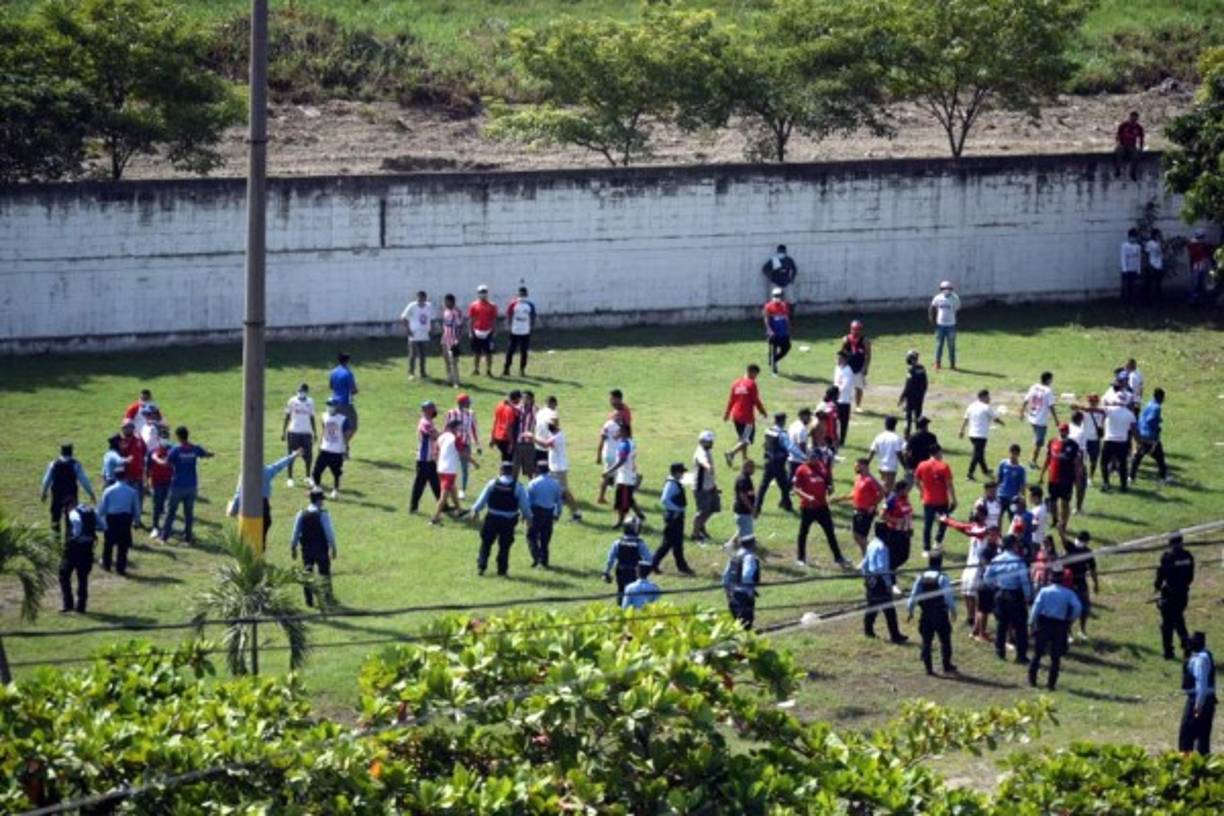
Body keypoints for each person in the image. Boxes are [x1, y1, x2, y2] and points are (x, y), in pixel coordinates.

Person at [226, 450, 302, 546]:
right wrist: (293, 456)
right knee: (262, 533)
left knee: (246, 536)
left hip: (249, 506)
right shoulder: (266, 471)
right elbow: (279, 465)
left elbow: (239, 493)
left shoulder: (245, 474)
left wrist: (233, 509)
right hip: (264, 507)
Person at [470, 461, 531, 576]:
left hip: (492, 518)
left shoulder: (492, 484)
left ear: (501, 470)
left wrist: (475, 510)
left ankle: (481, 566)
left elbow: (482, 500)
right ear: (512, 472)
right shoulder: (518, 487)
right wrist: (528, 518)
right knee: (504, 546)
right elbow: (525, 506)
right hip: (508, 521)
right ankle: (502, 570)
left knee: (486, 543)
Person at [157, 426, 214, 545]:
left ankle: (164, 537)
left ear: (178, 436)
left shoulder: (176, 450)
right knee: (189, 514)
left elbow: (166, 464)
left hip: (177, 486)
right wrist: (211, 454)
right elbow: (206, 454)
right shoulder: (195, 448)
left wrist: (156, 458)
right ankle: (188, 538)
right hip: (191, 487)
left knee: (171, 512)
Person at [1027, 569, 1083, 691]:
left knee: (1037, 653)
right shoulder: (1068, 593)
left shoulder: (1044, 591)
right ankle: (1051, 684)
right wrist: (1070, 618)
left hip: (1044, 623)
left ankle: (1032, 680)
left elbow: (1036, 608)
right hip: (1059, 624)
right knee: (1056, 657)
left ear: (1051, 578)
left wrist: (1031, 623)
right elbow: (1078, 607)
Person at [793, 448, 847, 568]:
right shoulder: (801, 470)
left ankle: (838, 557)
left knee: (830, 532)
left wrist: (830, 488)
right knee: (803, 533)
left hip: (822, 506)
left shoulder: (822, 467)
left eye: (815, 457)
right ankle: (800, 558)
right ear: (807, 457)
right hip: (808, 507)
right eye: (811, 457)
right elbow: (796, 488)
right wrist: (807, 497)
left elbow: (828, 482)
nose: (814, 459)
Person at [983, 536, 1033, 663]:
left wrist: (996, 587)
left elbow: (986, 578)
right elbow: (1024, 581)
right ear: (1013, 545)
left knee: (1001, 624)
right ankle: (1021, 655)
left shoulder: (996, 559)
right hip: (1015, 595)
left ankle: (1000, 652)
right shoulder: (1018, 561)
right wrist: (1028, 597)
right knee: (1020, 626)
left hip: (1000, 594)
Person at [907, 552, 957, 675]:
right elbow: (948, 596)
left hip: (926, 614)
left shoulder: (921, 577)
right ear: (940, 563)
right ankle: (946, 665)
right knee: (945, 640)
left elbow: (913, 596)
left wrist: (911, 611)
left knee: (926, 641)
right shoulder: (942, 578)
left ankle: (928, 668)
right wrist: (953, 611)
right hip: (940, 614)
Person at [290, 489, 337, 608]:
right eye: (322, 499)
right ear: (318, 500)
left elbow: (295, 532)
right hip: (321, 548)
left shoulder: (301, 513)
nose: (323, 502)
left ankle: (309, 601)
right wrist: (333, 547)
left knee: (307, 574)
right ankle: (327, 598)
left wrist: (293, 547)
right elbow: (329, 533)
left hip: (306, 549)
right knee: (324, 574)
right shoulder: (323, 514)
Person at [41, 444, 96, 544]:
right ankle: (69, 542)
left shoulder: (53, 464)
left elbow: (46, 480)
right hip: (71, 496)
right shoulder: (75, 464)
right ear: (71, 451)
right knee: (71, 519)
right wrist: (91, 493)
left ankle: (55, 542)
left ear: (61, 451)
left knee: (55, 519)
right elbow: (84, 480)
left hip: (57, 495)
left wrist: (44, 493)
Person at [862, 523, 908, 643]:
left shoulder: (871, 544)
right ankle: (895, 635)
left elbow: (865, 563)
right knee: (889, 610)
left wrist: (866, 577)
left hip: (870, 579)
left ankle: (868, 630)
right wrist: (888, 584)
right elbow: (883, 569)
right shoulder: (883, 547)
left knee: (872, 606)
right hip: (880, 581)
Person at [1155, 533, 1195, 660]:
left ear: (1170, 543)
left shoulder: (1168, 557)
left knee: (1168, 624)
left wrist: (1157, 586)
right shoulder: (1188, 556)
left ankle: (1169, 652)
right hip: (1183, 594)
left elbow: (1161, 574)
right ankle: (1186, 646)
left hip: (1170, 594)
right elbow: (1190, 576)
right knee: (1178, 620)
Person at [59, 503, 101, 613]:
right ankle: (81, 607)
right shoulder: (92, 511)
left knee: (64, 574)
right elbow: (103, 526)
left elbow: (77, 523)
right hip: (87, 548)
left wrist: (75, 535)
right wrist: (91, 530)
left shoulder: (73, 512)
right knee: (83, 578)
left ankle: (68, 604)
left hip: (73, 549)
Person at [914, 445, 956, 556]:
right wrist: (954, 499)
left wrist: (922, 491)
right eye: (941, 453)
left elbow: (916, 480)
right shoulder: (944, 466)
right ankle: (937, 542)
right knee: (944, 522)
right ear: (937, 453)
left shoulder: (922, 465)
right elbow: (949, 485)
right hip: (942, 500)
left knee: (928, 525)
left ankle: (926, 549)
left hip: (928, 500)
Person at [1179, 632, 1216, 755]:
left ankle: (1186, 763)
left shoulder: (1200, 659)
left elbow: (1201, 683)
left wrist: (1198, 705)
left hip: (1198, 699)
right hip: (1207, 699)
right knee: (1203, 735)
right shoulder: (1205, 656)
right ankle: (1203, 764)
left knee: (1186, 733)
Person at [1041, 423, 1082, 534]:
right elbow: (1048, 458)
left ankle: (1064, 523)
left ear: (1068, 432)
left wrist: (1077, 479)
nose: (1062, 432)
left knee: (1065, 503)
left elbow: (1076, 463)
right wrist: (1042, 473)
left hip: (1066, 479)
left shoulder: (1073, 445)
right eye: (1060, 430)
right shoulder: (1052, 442)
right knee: (1053, 501)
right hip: (1053, 478)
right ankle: (1055, 520)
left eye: (1064, 431)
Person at [97, 469, 140, 575]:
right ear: (126, 476)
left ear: (115, 477)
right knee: (123, 545)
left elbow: (102, 508)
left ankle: (107, 564)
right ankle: (120, 568)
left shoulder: (108, 490)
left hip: (111, 519)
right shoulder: (132, 491)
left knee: (108, 543)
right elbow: (136, 508)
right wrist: (137, 521)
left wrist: (98, 520)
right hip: (125, 519)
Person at [723, 364, 767, 467]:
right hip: (747, 417)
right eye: (756, 374)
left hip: (736, 416)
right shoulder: (751, 384)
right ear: (751, 372)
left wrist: (727, 413)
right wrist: (762, 411)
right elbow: (756, 400)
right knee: (747, 440)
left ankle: (744, 459)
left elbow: (731, 400)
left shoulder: (736, 383)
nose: (756, 377)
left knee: (742, 438)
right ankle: (731, 453)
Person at [654, 462, 694, 575]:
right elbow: (664, 500)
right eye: (681, 472)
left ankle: (682, 566)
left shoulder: (675, 482)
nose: (683, 474)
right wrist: (676, 510)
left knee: (677, 543)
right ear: (676, 473)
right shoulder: (671, 484)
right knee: (667, 543)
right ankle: (653, 564)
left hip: (676, 516)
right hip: (673, 517)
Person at [603, 518, 653, 606]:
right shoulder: (640, 543)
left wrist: (606, 572)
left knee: (621, 591)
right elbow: (649, 559)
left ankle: (620, 609)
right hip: (635, 572)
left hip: (621, 572)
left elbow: (610, 559)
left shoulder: (618, 542)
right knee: (634, 593)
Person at [604, 422, 645, 528]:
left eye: (619, 431)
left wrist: (609, 471)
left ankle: (620, 521)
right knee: (629, 498)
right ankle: (640, 515)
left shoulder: (625, 444)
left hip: (625, 478)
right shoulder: (630, 442)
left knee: (622, 501)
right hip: (628, 475)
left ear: (624, 432)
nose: (617, 433)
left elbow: (622, 460)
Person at [1062, 530, 1099, 641]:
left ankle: (1082, 631)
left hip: (1081, 583)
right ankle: (1068, 632)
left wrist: (1096, 583)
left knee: (1085, 608)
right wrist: (1060, 530)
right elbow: (1063, 538)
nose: (1079, 542)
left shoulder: (1088, 553)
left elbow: (1093, 570)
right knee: (1071, 609)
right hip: (1068, 583)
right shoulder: (1071, 547)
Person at [542, 416, 581, 521]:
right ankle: (555, 512)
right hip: (555, 468)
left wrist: (532, 437)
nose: (549, 426)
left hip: (559, 469)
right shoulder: (555, 433)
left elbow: (545, 445)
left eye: (551, 424)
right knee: (557, 491)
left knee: (565, 492)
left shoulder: (557, 437)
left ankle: (576, 513)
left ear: (556, 425)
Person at [842, 458, 884, 556]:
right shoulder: (858, 477)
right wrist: (839, 499)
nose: (855, 467)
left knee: (860, 536)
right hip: (857, 510)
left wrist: (873, 505)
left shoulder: (870, 480)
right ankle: (867, 555)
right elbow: (855, 494)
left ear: (864, 466)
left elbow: (881, 492)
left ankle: (867, 557)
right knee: (857, 536)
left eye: (857, 465)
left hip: (866, 512)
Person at [960, 389, 1003, 481]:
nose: (989, 399)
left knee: (980, 453)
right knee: (977, 455)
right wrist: (1002, 422)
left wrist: (962, 430)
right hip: (981, 435)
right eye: (988, 396)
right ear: (983, 397)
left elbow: (966, 419)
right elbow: (995, 419)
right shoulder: (986, 407)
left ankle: (985, 470)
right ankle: (969, 474)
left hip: (971, 434)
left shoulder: (971, 406)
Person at [757, 413, 796, 514]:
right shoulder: (782, 433)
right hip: (779, 463)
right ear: (782, 421)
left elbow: (765, 444)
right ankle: (787, 505)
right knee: (784, 485)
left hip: (769, 461)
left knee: (764, 486)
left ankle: (757, 506)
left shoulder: (768, 430)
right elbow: (789, 447)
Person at [526, 463, 563, 568]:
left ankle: (536, 557)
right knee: (545, 538)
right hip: (549, 512)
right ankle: (545, 561)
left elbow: (528, 501)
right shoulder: (556, 483)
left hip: (536, 512)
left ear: (537, 470)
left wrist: (526, 514)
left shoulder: (533, 483)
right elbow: (559, 500)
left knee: (531, 536)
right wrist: (558, 513)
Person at [312, 399, 350, 499]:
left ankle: (335, 490)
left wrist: (346, 449)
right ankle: (317, 488)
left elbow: (346, 436)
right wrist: (320, 445)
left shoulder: (343, 419)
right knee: (316, 471)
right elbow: (323, 431)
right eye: (328, 404)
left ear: (336, 406)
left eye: (331, 405)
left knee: (336, 473)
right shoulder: (324, 416)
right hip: (325, 449)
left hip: (337, 451)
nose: (329, 407)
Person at [445, 394, 481, 499]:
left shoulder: (471, 414)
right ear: (461, 403)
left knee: (464, 468)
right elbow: (446, 428)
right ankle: (450, 488)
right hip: (452, 444)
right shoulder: (451, 413)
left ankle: (462, 490)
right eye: (467, 402)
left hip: (465, 444)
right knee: (451, 467)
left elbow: (474, 429)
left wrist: (477, 445)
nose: (469, 404)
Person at [1132, 388, 1171, 484]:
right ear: (1160, 397)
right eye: (1163, 397)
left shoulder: (1149, 404)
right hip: (1150, 436)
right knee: (1160, 457)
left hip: (1141, 433)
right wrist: (1157, 427)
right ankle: (1163, 478)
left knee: (1138, 457)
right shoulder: (1157, 407)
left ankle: (1131, 477)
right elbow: (1151, 420)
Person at [431, 418, 465, 526]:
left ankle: (459, 510)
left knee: (453, 489)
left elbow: (435, 452)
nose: (460, 429)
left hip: (441, 469)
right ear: (454, 428)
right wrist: (474, 463)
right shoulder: (456, 438)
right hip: (449, 471)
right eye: (459, 427)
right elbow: (462, 453)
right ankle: (435, 518)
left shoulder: (441, 437)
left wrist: (439, 463)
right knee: (444, 496)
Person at [281, 383, 316, 487]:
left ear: (307, 392)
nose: (301, 392)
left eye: (303, 391)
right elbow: (287, 416)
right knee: (291, 455)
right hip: (293, 432)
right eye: (299, 390)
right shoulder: (292, 401)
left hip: (306, 433)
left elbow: (312, 418)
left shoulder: (310, 402)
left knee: (309, 456)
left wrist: (315, 432)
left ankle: (308, 477)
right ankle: (290, 478)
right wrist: (283, 431)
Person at [722, 533, 760, 630]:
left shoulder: (735, 556)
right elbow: (746, 575)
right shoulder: (749, 557)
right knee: (746, 625)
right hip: (743, 595)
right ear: (752, 544)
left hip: (733, 594)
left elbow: (725, 577)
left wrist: (728, 592)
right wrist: (750, 592)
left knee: (737, 624)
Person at [1022, 372, 1059, 468]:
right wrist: (1056, 419)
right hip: (1041, 420)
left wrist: (1022, 412)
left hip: (1032, 416)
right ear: (1048, 380)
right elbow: (1051, 406)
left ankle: (1032, 459)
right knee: (1039, 442)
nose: (1052, 381)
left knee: (1037, 439)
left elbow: (1026, 400)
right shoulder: (1048, 391)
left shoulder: (1034, 387)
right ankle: (1032, 461)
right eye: (1051, 379)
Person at [410, 401, 441, 514]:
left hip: (430, 459)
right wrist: (440, 435)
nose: (435, 411)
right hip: (424, 460)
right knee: (420, 484)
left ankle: (444, 506)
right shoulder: (425, 423)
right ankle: (413, 507)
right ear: (427, 410)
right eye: (433, 408)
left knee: (436, 483)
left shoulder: (429, 421)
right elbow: (434, 435)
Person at [1100, 397, 1136, 493]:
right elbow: (1134, 429)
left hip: (1109, 440)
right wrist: (1138, 441)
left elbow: (1100, 410)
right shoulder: (1130, 414)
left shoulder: (1110, 410)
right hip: (1122, 442)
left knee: (1104, 463)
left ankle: (1106, 483)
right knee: (1123, 464)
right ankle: (1123, 486)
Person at [881, 479, 915, 574]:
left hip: (905, 532)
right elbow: (883, 515)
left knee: (905, 556)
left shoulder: (905, 498)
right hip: (895, 532)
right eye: (906, 489)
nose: (907, 491)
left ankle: (890, 571)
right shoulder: (891, 499)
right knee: (895, 557)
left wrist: (910, 528)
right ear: (901, 490)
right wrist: (896, 521)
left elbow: (908, 513)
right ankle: (890, 576)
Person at [145, 426, 172, 539]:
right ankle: (155, 527)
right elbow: (148, 468)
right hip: (156, 483)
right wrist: (147, 481)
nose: (164, 439)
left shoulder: (172, 451)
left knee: (166, 506)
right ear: (158, 438)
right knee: (156, 506)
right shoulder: (152, 452)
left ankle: (166, 527)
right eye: (162, 437)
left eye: (166, 437)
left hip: (169, 482)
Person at [692, 431, 720, 543]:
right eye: (710, 441)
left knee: (713, 508)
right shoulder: (701, 452)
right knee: (702, 511)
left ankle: (701, 527)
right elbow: (703, 461)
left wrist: (714, 485)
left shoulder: (707, 450)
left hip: (710, 486)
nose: (712, 443)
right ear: (703, 442)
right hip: (701, 488)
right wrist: (708, 466)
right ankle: (695, 533)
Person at [503, 285, 537, 377]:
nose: (522, 295)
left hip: (525, 331)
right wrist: (509, 326)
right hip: (514, 330)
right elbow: (509, 315)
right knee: (510, 350)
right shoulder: (513, 304)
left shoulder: (530, 305)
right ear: (518, 294)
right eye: (521, 293)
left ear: (527, 294)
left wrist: (531, 327)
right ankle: (506, 369)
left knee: (524, 351)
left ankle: (522, 370)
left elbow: (533, 316)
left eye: (524, 293)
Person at [116, 421, 147, 521]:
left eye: (126, 428)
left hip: (139, 474)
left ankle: (137, 519)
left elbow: (144, 450)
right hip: (127, 476)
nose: (124, 430)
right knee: (129, 499)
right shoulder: (120, 442)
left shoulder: (139, 439)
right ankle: (129, 518)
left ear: (132, 428)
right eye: (123, 428)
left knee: (140, 498)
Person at [328, 353, 359, 450]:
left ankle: (339, 446)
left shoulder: (333, 372)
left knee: (339, 426)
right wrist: (356, 391)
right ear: (347, 361)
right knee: (353, 426)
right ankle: (344, 445)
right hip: (345, 403)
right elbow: (353, 389)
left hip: (334, 403)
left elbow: (331, 386)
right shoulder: (348, 373)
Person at [400, 290, 433, 379]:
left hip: (424, 334)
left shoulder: (428, 306)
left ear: (425, 298)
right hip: (414, 334)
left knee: (423, 354)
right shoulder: (412, 306)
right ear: (417, 297)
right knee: (413, 354)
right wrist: (408, 330)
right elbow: (403, 317)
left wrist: (430, 329)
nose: (421, 299)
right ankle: (411, 373)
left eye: (423, 298)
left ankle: (423, 372)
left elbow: (429, 319)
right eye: (419, 297)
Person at [867, 416, 905, 493]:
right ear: (895, 425)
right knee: (887, 489)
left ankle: (885, 502)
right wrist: (905, 466)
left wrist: (866, 463)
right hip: (891, 467)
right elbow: (899, 453)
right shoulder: (896, 438)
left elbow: (872, 451)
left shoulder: (879, 436)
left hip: (881, 466)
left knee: (886, 486)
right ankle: (884, 503)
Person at [840, 320, 872, 409]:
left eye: (858, 329)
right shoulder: (846, 339)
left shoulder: (865, 340)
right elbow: (841, 354)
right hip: (847, 367)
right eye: (854, 329)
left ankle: (858, 406)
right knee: (845, 386)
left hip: (859, 367)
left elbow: (868, 355)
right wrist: (840, 366)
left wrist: (865, 367)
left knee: (859, 387)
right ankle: (845, 403)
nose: (855, 331)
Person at [928, 281, 960, 370]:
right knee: (939, 345)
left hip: (951, 325)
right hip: (940, 325)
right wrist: (931, 318)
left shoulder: (955, 298)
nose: (946, 290)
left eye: (948, 288)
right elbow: (932, 307)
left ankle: (952, 364)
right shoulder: (937, 298)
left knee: (951, 345)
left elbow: (957, 308)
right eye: (944, 289)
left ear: (951, 289)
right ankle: (937, 363)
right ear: (941, 289)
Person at [467, 284, 498, 376]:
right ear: (478, 293)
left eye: (484, 292)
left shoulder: (492, 305)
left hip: (488, 331)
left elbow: (494, 319)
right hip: (477, 331)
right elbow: (471, 319)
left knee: (488, 353)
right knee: (477, 353)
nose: (483, 294)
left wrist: (494, 330)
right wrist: (470, 331)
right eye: (481, 292)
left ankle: (488, 370)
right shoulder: (473, 305)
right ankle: (476, 369)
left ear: (487, 293)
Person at [899, 350, 928, 437]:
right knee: (918, 415)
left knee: (908, 417)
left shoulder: (910, 370)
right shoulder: (922, 368)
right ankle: (918, 434)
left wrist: (902, 397)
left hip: (911, 396)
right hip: (920, 396)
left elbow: (908, 385)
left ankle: (907, 435)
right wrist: (922, 394)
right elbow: (925, 383)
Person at [729, 459, 757, 549]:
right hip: (743, 511)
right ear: (745, 467)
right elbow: (743, 496)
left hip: (743, 511)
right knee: (746, 536)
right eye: (751, 467)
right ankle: (743, 551)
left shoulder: (745, 478)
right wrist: (752, 509)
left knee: (742, 531)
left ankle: (730, 545)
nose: (753, 469)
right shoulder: (743, 479)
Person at [763, 288, 792, 375]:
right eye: (776, 296)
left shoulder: (784, 306)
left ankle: (774, 359)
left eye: (779, 296)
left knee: (787, 347)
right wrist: (770, 331)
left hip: (783, 333)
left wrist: (789, 328)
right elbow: (766, 320)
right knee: (773, 349)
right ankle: (774, 369)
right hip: (774, 334)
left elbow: (786, 318)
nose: (778, 297)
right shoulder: (768, 306)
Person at [512, 390, 538, 479]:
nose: (524, 400)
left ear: (531, 399)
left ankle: (532, 490)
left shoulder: (535, 410)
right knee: (514, 470)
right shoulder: (518, 408)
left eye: (526, 398)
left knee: (531, 472)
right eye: (522, 398)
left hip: (529, 444)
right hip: (518, 443)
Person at [439, 293, 464, 387]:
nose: (446, 303)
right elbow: (444, 324)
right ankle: (449, 377)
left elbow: (460, 326)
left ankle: (456, 381)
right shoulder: (445, 311)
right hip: (445, 338)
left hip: (453, 339)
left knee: (454, 361)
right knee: (446, 359)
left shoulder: (456, 312)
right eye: (445, 302)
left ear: (452, 302)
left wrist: (458, 339)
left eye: (448, 302)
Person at [996, 444, 1027, 520]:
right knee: (998, 517)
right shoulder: (1003, 464)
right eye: (1011, 453)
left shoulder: (1021, 469)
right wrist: (995, 492)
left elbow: (1022, 485)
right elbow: (998, 479)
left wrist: (1023, 498)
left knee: (1013, 518)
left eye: (1015, 454)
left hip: (1013, 498)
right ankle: (997, 532)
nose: (1013, 456)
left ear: (1018, 455)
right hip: (1001, 495)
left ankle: (1013, 532)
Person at [491, 390, 522, 463]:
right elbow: (509, 427)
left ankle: (503, 473)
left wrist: (492, 437)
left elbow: (495, 421)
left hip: (497, 436)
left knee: (505, 458)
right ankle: (505, 474)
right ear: (516, 399)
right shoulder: (510, 410)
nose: (520, 400)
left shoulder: (500, 405)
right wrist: (511, 443)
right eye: (520, 398)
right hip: (506, 438)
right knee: (509, 461)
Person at [1187, 228, 1215, 305]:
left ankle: (1205, 299)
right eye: (1201, 236)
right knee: (1195, 283)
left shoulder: (1205, 243)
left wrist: (1205, 245)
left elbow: (1209, 252)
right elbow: (1193, 254)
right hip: (1197, 264)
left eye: (1202, 236)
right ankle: (1193, 299)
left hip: (1205, 264)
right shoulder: (1192, 243)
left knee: (1207, 282)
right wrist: (1201, 246)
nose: (1202, 238)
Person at [1114, 110, 1145, 180]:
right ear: (1130, 117)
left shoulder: (1139, 128)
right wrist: (1118, 143)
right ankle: (1118, 170)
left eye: (1135, 119)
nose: (1133, 120)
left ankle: (1132, 173)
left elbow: (1141, 138)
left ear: (1137, 119)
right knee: (1119, 153)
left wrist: (1141, 148)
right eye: (1132, 118)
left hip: (1132, 146)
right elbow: (1117, 135)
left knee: (1136, 156)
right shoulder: (1123, 125)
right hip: (1122, 145)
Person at [832, 352, 855, 446]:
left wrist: (837, 392)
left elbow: (845, 385)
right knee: (833, 421)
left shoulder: (848, 371)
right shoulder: (837, 368)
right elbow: (835, 382)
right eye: (837, 358)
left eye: (840, 359)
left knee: (843, 422)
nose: (838, 361)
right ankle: (834, 439)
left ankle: (842, 440)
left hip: (844, 400)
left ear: (845, 360)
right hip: (836, 399)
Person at [1120, 228, 1143, 305]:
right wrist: (1125, 270)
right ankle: (1125, 305)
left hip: (1134, 271)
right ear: (1129, 237)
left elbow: (1139, 259)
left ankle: (1133, 304)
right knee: (1126, 289)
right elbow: (1123, 258)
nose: (1134, 238)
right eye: (1132, 236)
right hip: (1127, 271)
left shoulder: (1138, 246)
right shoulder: (1124, 246)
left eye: (1135, 237)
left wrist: (1138, 270)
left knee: (1135, 289)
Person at [1143, 229, 1165, 303]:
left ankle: (1158, 300)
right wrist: (1148, 265)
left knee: (1158, 285)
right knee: (1149, 284)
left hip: (1159, 266)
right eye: (1158, 234)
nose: (1159, 236)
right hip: (1152, 265)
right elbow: (1146, 254)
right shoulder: (1150, 243)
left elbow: (1161, 254)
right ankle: (1148, 301)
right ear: (1154, 235)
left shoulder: (1159, 243)